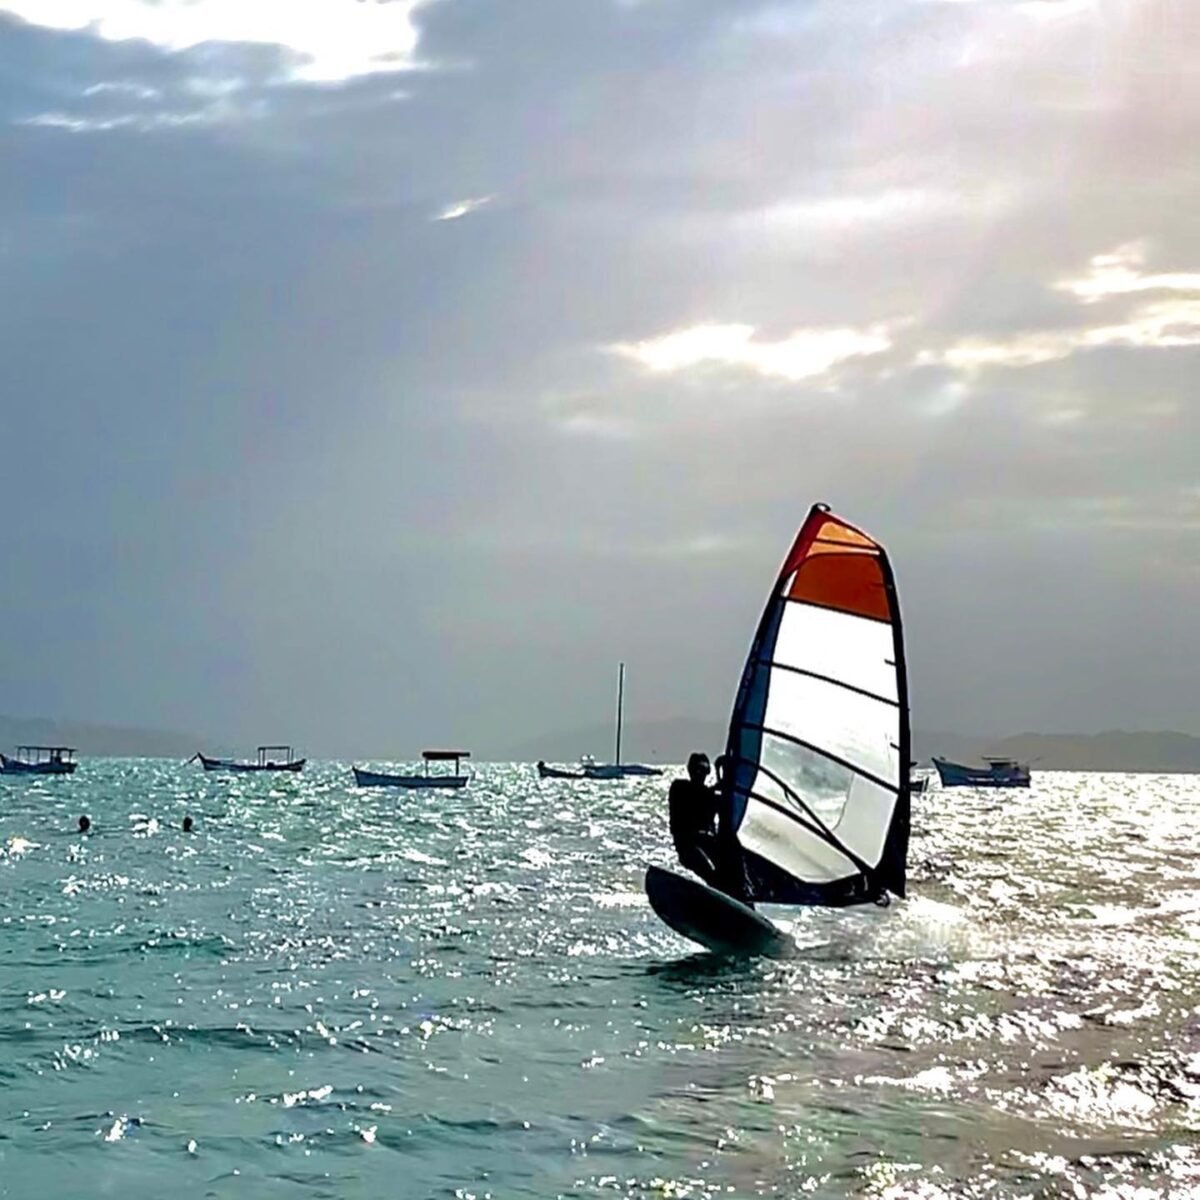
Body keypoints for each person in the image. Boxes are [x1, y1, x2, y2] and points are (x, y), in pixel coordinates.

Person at [668, 753, 721, 883]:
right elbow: (695, 796)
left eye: (703, 770)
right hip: (687, 844)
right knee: (710, 874)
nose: (699, 774)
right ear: (690, 770)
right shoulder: (679, 788)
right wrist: (714, 792)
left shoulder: (710, 796)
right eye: (697, 769)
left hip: (706, 842)